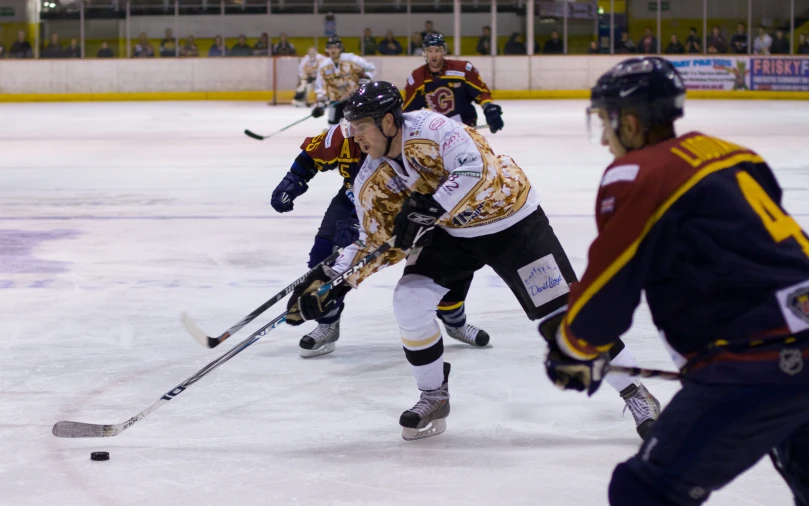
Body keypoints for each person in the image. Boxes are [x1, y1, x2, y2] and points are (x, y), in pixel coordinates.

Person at [288, 81, 661, 441]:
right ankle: (434, 396)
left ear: (388, 121)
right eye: (352, 129)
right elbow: (377, 241)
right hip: (454, 233)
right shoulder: (373, 177)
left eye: (362, 128)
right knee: (409, 299)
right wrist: (333, 280)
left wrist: (429, 209)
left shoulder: (434, 127)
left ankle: (636, 394)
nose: (355, 137)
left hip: (512, 221)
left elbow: (474, 170)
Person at [538, 56, 809, 506]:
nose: (605, 139)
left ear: (630, 121)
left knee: (642, 492)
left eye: (606, 122)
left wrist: (575, 346)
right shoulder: (732, 154)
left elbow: (612, 277)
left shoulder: (639, 174)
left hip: (756, 358)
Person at [272, 125, 491, 357]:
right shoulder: (344, 134)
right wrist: (293, 180)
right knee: (324, 257)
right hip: (354, 200)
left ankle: (454, 321)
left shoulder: (411, 138)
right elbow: (311, 155)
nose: (358, 133)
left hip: (410, 205)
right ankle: (327, 323)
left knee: (442, 262)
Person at [403, 33, 502, 132]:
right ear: (425, 52)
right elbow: (408, 111)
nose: (433, 55)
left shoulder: (462, 69)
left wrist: (489, 108)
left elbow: (481, 92)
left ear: (443, 51)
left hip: (465, 126)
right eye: (430, 51)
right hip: (437, 132)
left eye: (437, 50)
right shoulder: (417, 77)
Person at [312, 36, 376, 126]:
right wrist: (320, 105)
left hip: (353, 100)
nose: (333, 50)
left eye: (335, 47)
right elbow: (320, 87)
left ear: (340, 48)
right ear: (326, 49)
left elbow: (370, 68)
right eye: (330, 47)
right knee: (333, 127)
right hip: (335, 101)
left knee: (355, 126)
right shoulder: (324, 66)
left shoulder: (352, 59)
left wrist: (364, 81)